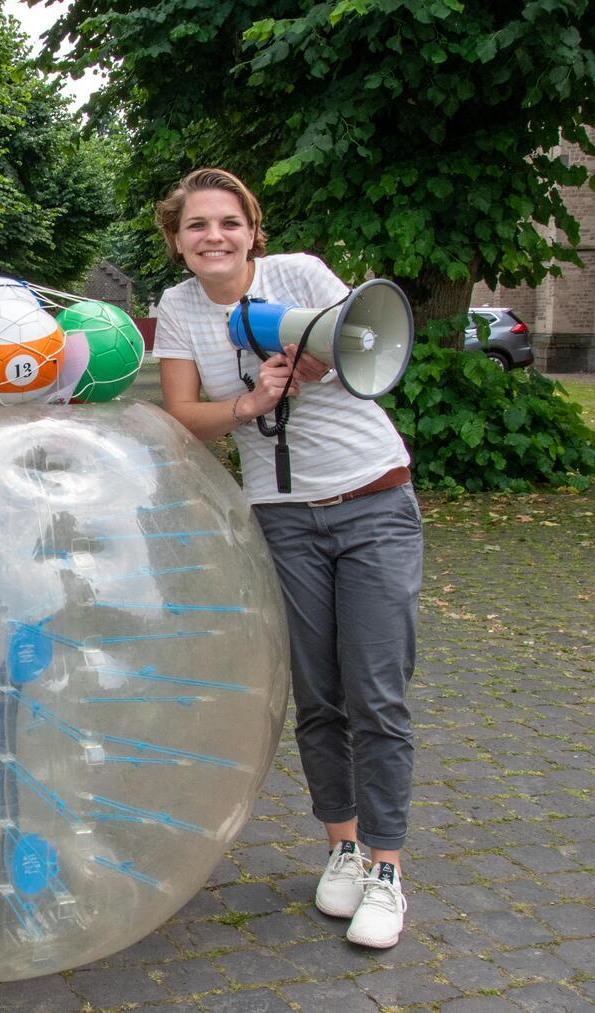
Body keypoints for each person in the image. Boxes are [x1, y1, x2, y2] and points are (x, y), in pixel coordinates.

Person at [151, 168, 422, 949]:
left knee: (376, 690)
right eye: (197, 225)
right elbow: (182, 415)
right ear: (178, 240)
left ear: (252, 230)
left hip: (372, 498)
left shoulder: (298, 275)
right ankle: (340, 846)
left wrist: (318, 364)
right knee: (319, 692)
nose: (214, 236)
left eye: (228, 222)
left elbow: (363, 340)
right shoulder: (177, 307)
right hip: (283, 519)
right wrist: (250, 403)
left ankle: (386, 867)